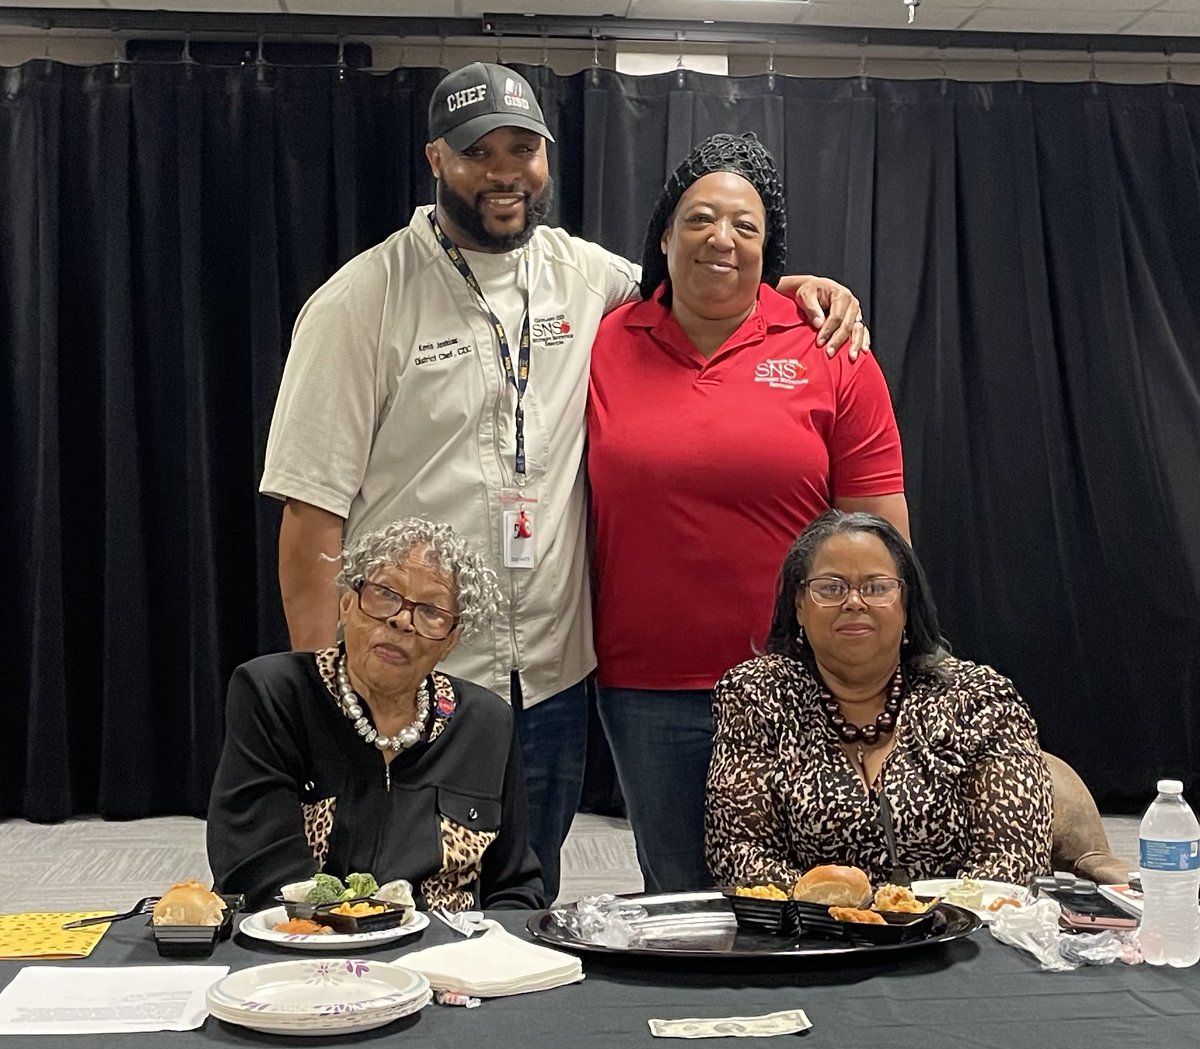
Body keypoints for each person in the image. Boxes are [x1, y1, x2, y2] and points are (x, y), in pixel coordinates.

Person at [260, 63, 869, 901]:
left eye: (524, 149)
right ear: (437, 159)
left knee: (522, 901)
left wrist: (801, 291)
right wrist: (334, 697)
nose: (505, 172)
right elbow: (311, 517)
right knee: (396, 899)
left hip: (549, 679)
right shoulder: (361, 302)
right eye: (479, 153)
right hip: (416, 675)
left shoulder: (595, 282)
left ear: (547, 158)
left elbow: (705, 285)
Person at [586, 133, 907, 892]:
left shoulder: (828, 346)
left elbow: (883, 542)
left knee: (817, 893)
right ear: (664, 234)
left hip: (802, 680)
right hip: (647, 687)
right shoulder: (601, 344)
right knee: (684, 899)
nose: (719, 239)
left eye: (745, 225)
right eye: (698, 219)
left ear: (771, 248)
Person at [207, 517, 544, 912]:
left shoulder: (485, 722)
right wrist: (365, 930)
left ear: (451, 641)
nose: (402, 620)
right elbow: (259, 874)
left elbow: (516, 888)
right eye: (385, 594)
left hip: (448, 958)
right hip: (305, 950)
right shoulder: (276, 694)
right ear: (347, 604)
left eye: (431, 612)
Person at [705, 510, 1052, 889]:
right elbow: (738, 850)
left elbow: (1015, 856)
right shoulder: (757, 694)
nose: (854, 602)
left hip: (957, 934)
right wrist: (839, 916)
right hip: (813, 936)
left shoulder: (980, 699)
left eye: (875, 587)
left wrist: (935, 921)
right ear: (799, 606)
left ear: (906, 604)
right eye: (831, 588)